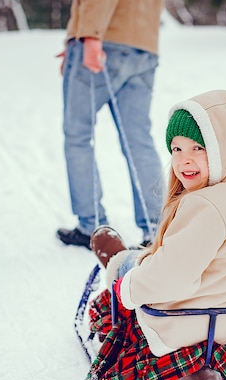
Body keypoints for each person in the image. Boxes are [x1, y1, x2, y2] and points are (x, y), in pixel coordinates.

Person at [74, 90, 226, 380]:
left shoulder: (207, 207)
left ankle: (115, 258)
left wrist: (125, 290)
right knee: (152, 258)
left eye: (199, 148)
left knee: (129, 265)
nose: (184, 159)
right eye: (177, 149)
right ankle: (133, 257)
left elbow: (169, 277)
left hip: (185, 320)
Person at [56, 0, 165, 250]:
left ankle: (92, 226)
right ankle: (156, 228)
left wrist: (88, 35)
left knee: (78, 135)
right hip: (144, 45)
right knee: (138, 139)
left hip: (104, 40)